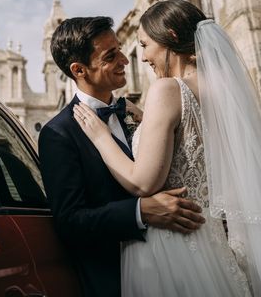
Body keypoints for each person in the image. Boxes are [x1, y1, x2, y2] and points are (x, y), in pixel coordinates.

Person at [73, 0, 261, 296]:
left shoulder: (167, 89)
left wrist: (100, 138)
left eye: (145, 45)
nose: (143, 57)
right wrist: (148, 119)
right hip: (213, 242)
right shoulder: (222, 91)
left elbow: (143, 181)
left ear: (170, 36)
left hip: (174, 246)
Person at [38, 16, 205, 297]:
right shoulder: (59, 133)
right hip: (118, 279)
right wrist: (141, 212)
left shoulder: (141, 112)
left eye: (120, 50)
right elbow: (70, 222)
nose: (125, 61)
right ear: (79, 69)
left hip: (181, 262)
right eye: (111, 56)